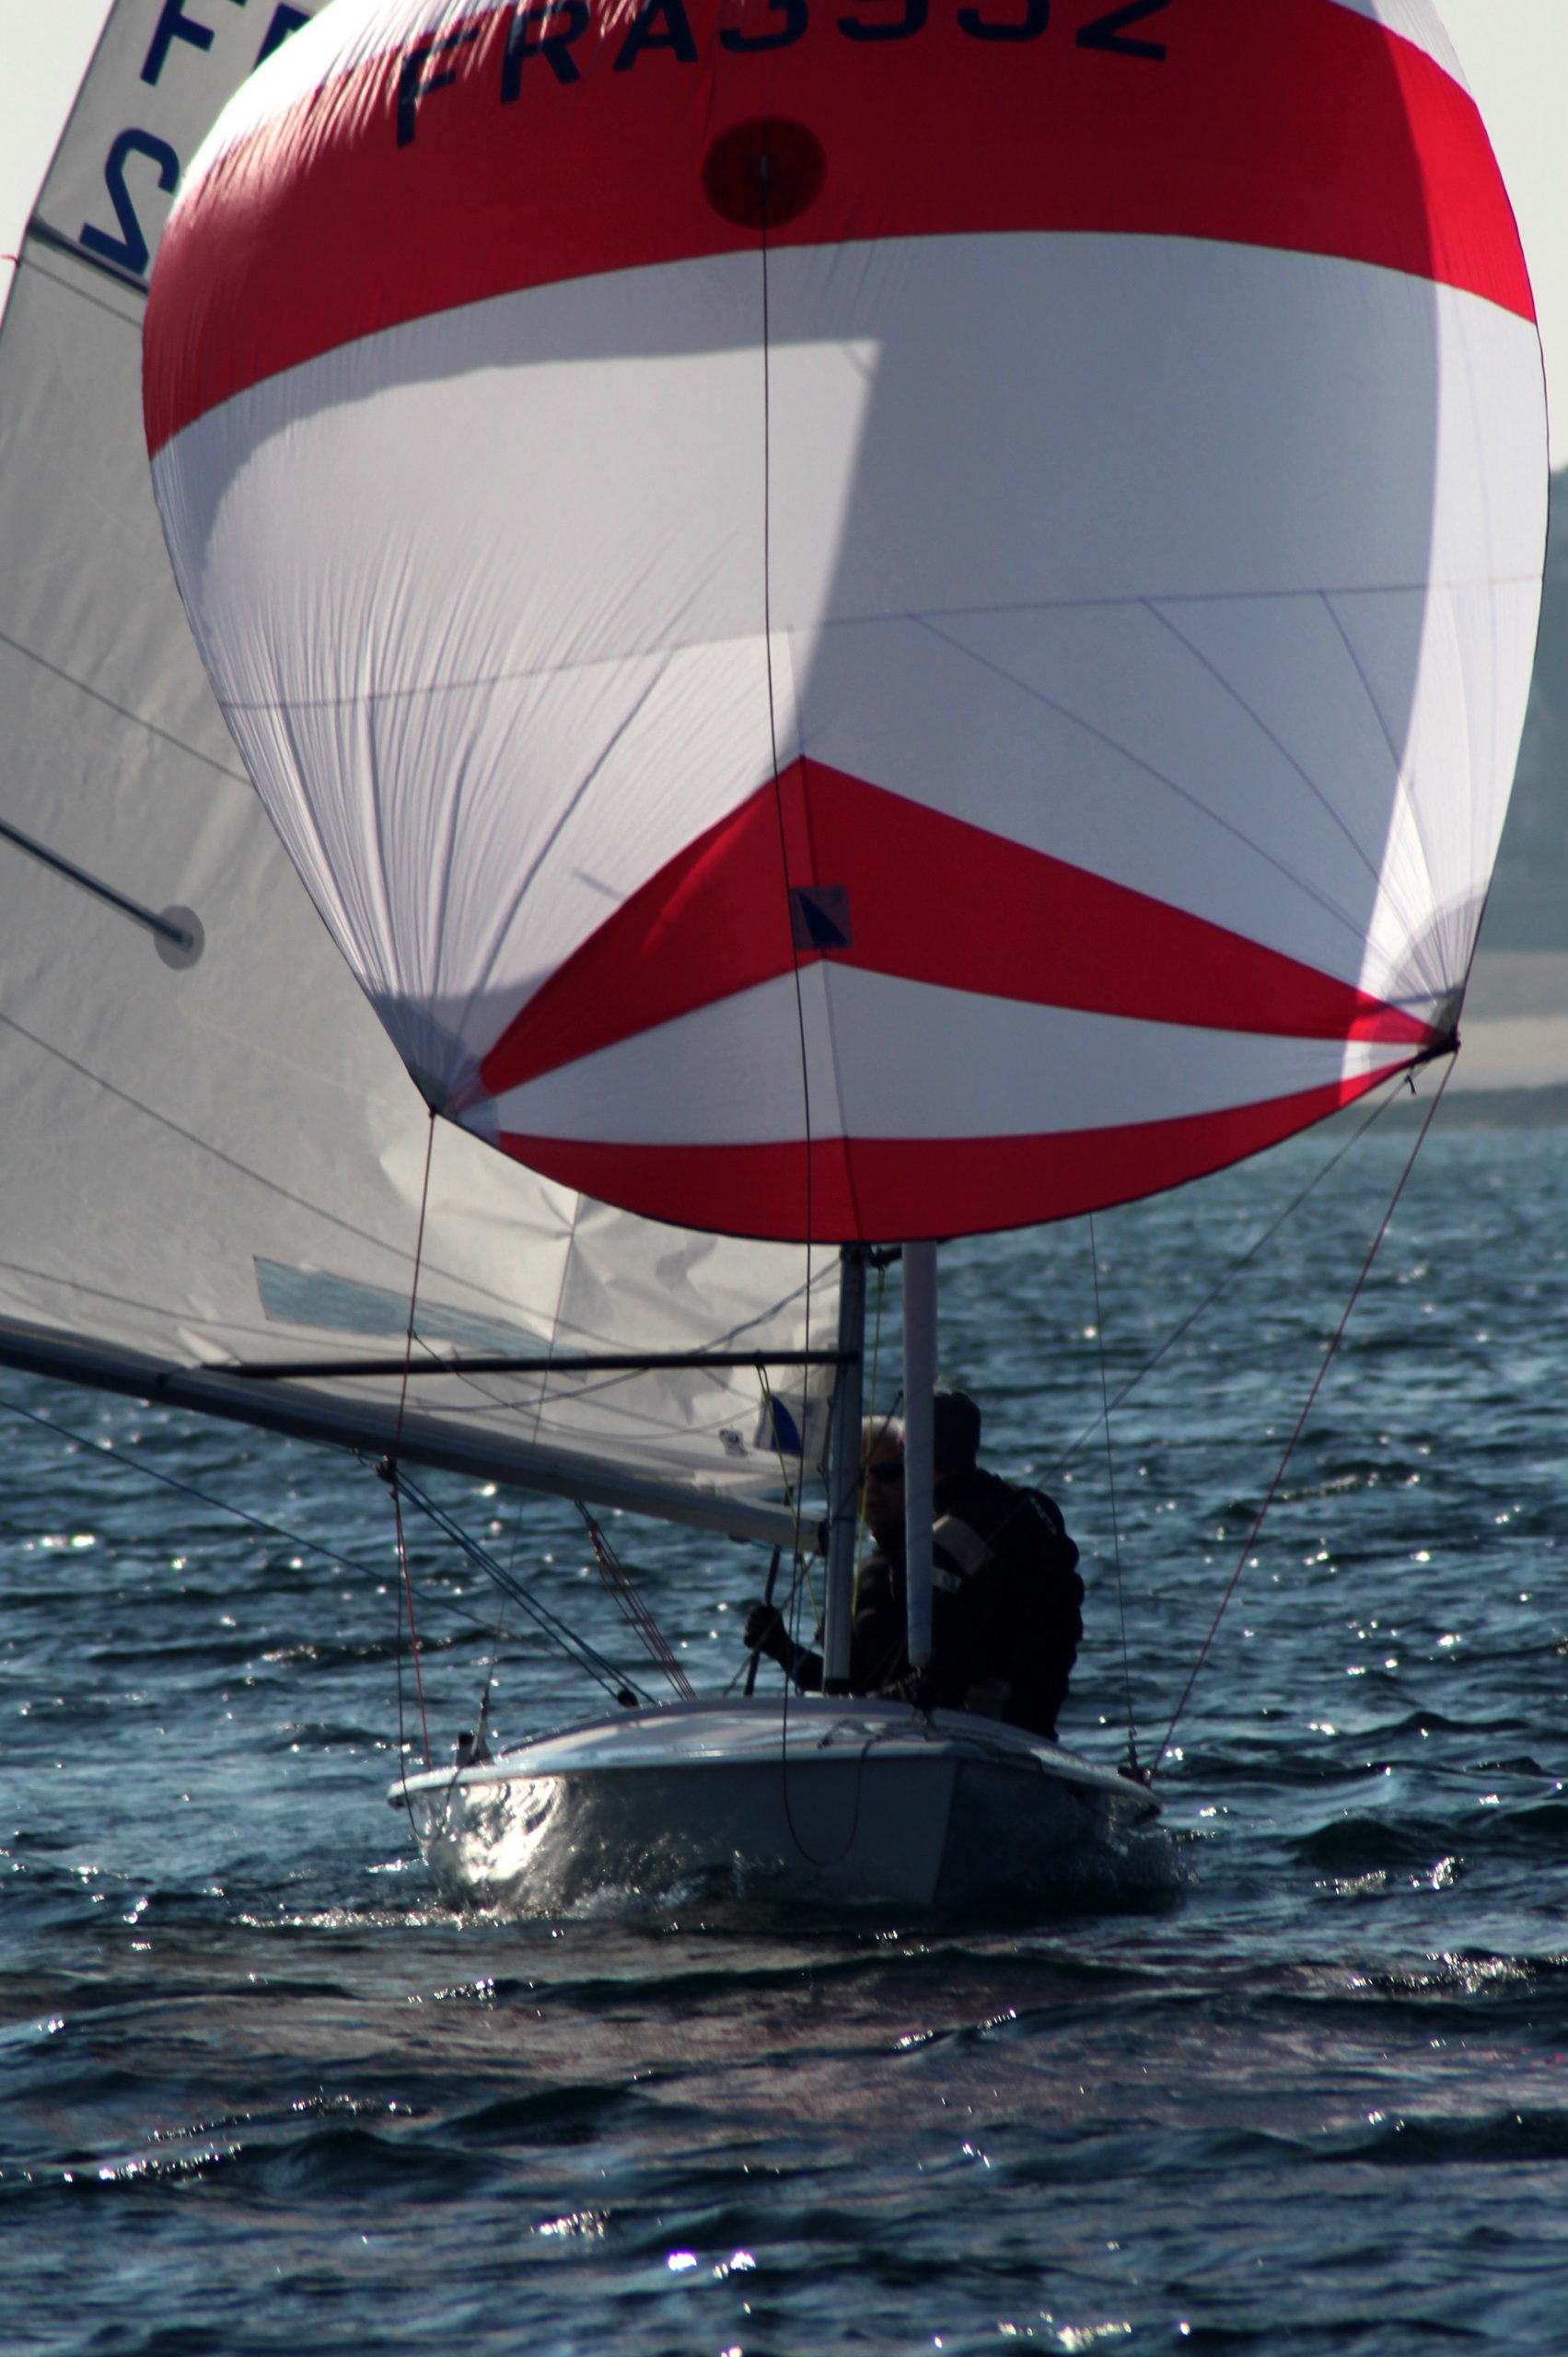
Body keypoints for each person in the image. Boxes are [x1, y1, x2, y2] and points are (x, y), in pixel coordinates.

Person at [744, 1391, 1084, 1740]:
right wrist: (782, 1648)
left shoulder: (937, 1547)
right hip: (1030, 1728)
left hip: (977, 1735)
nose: (871, 1487)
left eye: (887, 1472)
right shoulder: (1034, 1510)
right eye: (857, 1476)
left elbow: (935, 1679)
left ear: (910, 1459)